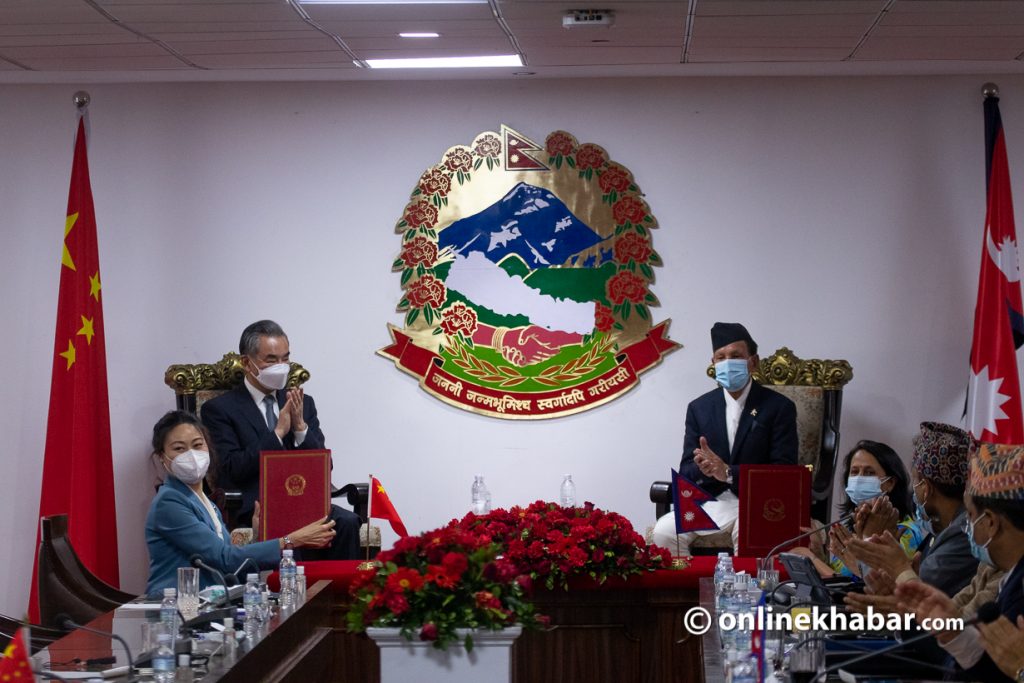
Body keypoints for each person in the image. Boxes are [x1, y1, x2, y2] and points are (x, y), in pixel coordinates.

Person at [201, 320, 361, 560]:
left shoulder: (302, 403)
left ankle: (340, 597)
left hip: (304, 502)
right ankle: (294, 597)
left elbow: (324, 467)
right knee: (292, 533)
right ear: (247, 362)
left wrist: (300, 429)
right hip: (258, 507)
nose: (281, 367)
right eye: (271, 360)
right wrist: (276, 434)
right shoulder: (220, 409)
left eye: (285, 359)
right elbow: (230, 469)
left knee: (347, 522)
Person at [145, 410, 336, 595]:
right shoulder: (169, 501)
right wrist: (291, 540)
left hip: (211, 602)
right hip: (175, 607)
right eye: (179, 449)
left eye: (197, 445)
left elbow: (232, 567)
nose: (191, 455)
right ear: (163, 457)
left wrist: (256, 537)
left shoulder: (206, 502)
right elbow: (225, 558)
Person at [651, 322, 798, 554]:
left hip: (754, 504)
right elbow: (686, 469)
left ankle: (743, 591)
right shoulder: (699, 408)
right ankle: (686, 591)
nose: (728, 363)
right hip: (707, 502)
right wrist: (705, 468)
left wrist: (729, 472)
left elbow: (784, 470)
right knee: (663, 532)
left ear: (753, 361)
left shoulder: (779, 407)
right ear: (713, 364)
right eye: (721, 357)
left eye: (736, 355)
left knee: (750, 531)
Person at [896, 442, 1024, 682]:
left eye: (971, 516)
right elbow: (996, 668)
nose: (967, 526)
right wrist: (955, 634)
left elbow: (1010, 670)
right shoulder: (1014, 577)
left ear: (991, 522)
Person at [848, 422, 978, 596]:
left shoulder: (962, 534)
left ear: (926, 487)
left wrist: (872, 541)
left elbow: (910, 599)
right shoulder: (938, 532)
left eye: (915, 480)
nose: (913, 490)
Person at [796, 439, 926, 579]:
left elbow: (875, 582)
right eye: (854, 472)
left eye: (869, 473)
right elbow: (837, 582)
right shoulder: (852, 526)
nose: (859, 479)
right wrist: (818, 554)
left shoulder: (905, 532)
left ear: (889, 483)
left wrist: (812, 560)